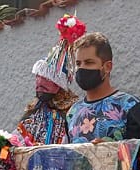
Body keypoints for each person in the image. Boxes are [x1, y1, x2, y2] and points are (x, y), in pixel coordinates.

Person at [13, 14, 86, 146]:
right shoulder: (33, 111)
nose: (39, 83)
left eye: (46, 78)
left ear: (60, 84)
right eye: (38, 77)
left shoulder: (73, 112)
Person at [64, 32, 140, 144]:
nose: (81, 68)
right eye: (78, 63)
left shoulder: (129, 105)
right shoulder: (72, 112)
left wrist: (110, 150)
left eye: (89, 62)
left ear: (107, 67)